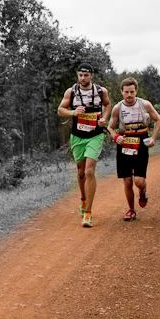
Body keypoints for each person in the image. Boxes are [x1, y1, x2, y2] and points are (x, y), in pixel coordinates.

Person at [57, 63, 112, 228]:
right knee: (81, 172)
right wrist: (73, 112)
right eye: (80, 75)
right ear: (77, 75)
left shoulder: (101, 91)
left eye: (86, 75)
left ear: (91, 75)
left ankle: (88, 213)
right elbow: (60, 110)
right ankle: (83, 199)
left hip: (95, 135)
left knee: (89, 171)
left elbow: (108, 105)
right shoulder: (71, 91)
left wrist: (104, 118)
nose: (83, 78)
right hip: (77, 136)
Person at [107, 77, 160, 221]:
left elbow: (158, 120)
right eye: (126, 92)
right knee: (127, 181)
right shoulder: (118, 108)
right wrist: (115, 137)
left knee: (138, 181)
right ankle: (131, 210)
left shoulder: (145, 104)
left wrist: (153, 138)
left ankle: (143, 191)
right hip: (124, 143)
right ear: (121, 92)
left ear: (136, 91)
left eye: (132, 91)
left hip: (141, 142)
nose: (129, 95)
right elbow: (110, 127)